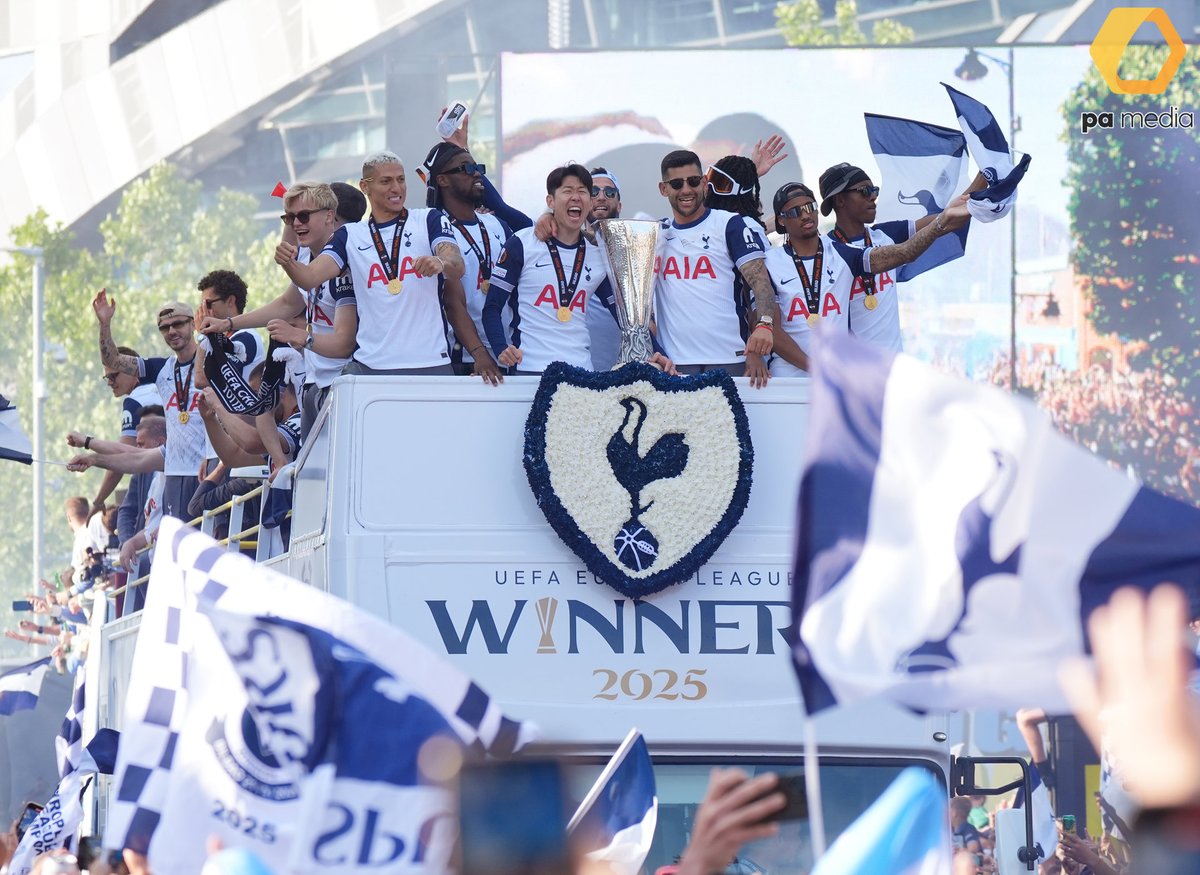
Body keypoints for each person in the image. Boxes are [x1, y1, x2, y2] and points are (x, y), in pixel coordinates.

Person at [274, 150, 468, 375]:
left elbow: (457, 264)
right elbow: (309, 278)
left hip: (430, 361)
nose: (396, 188)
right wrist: (288, 262)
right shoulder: (350, 235)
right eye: (386, 181)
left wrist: (441, 261)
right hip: (374, 366)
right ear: (365, 187)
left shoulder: (429, 219)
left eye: (401, 179)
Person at [756, 181, 970, 385]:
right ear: (781, 221)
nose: (805, 215)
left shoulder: (843, 254)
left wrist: (942, 220)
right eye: (795, 212)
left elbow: (905, 252)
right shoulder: (770, 262)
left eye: (809, 207)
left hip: (838, 380)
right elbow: (771, 329)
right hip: (788, 381)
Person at [198, 181, 363, 439]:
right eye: (290, 217)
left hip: (345, 384)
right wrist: (228, 324)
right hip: (314, 383)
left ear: (331, 216)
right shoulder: (308, 256)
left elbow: (344, 344)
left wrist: (300, 336)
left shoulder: (347, 263)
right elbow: (287, 304)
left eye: (304, 216)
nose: (296, 224)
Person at [819, 161, 981, 353]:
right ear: (839, 200)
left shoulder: (886, 234)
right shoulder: (823, 252)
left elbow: (949, 219)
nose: (872, 197)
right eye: (864, 191)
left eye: (874, 190)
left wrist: (986, 174)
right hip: (853, 371)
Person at [481, 164, 621, 374]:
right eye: (567, 190)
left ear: (589, 202)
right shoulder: (522, 243)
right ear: (550, 201)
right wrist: (501, 347)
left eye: (582, 191)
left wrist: (655, 350)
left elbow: (622, 314)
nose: (576, 197)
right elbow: (492, 307)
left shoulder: (597, 254)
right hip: (528, 370)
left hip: (580, 372)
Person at [654, 149, 777, 376]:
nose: (686, 190)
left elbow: (761, 284)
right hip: (675, 366)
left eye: (692, 181)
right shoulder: (656, 233)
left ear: (703, 183)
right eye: (676, 184)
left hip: (730, 359)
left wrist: (765, 325)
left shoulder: (730, 224)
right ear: (664, 189)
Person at [95, 292, 206, 519]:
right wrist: (105, 324)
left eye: (178, 324)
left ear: (192, 324)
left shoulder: (210, 358)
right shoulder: (161, 368)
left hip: (207, 469)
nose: (172, 331)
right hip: (175, 473)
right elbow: (112, 361)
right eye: (165, 328)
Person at [421, 140, 507, 384]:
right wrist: (479, 353)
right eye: (466, 168)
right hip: (466, 358)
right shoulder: (435, 230)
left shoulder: (496, 224)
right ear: (443, 180)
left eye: (478, 167)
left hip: (506, 352)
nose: (477, 173)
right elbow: (452, 301)